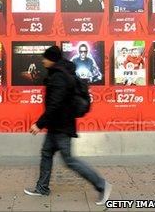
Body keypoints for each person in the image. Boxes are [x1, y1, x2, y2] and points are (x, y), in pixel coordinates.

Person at [24, 45, 112, 205]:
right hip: (56, 125)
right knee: (46, 153)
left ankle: (102, 185)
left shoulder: (59, 77)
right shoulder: (59, 73)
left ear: (52, 59)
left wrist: (39, 124)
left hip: (61, 126)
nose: (43, 61)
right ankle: (42, 187)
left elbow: (55, 104)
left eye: (45, 58)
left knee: (69, 160)